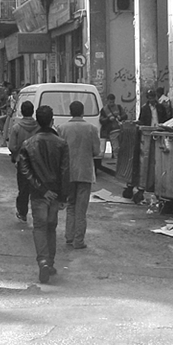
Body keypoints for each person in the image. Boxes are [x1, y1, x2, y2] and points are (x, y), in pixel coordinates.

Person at [18, 105, 69, 284]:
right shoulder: (61, 143)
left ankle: (44, 262)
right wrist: (63, 196)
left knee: (40, 227)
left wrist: (40, 189)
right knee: (51, 228)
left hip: (40, 194)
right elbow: (65, 171)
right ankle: (50, 262)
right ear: (52, 120)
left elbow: (25, 170)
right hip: (54, 193)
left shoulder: (28, 143)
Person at [56, 100, 98, 251]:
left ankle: (69, 237)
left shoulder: (62, 128)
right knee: (82, 209)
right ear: (82, 112)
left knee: (71, 206)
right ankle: (79, 240)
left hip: (68, 173)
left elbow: (59, 151)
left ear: (70, 112)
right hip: (85, 172)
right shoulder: (91, 129)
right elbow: (96, 151)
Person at [7, 100, 40, 224]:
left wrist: (17, 154)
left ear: (21, 111)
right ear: (33, 111)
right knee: (37, 187)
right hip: (37, 161)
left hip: (22, 161)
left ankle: (22, 212)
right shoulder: (38, 126)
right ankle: (37, 213)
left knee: (23, 188)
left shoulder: (17, 127)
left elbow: (12, 146)